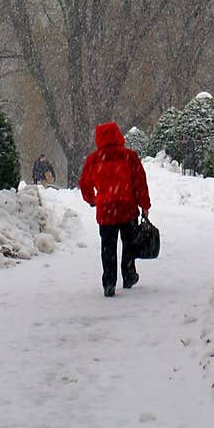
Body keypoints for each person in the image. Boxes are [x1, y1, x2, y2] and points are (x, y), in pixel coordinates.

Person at [78, 122, 151, 297]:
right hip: (127, 208)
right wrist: (144, 205)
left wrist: (93, 200)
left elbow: (85, 184)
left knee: (108, 247)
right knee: (129, 244)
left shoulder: (94, 160)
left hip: (106, 211)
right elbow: (139, 182)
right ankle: (129, 275)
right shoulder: (129, 156)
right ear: (118, 135)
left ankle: (109, 282)